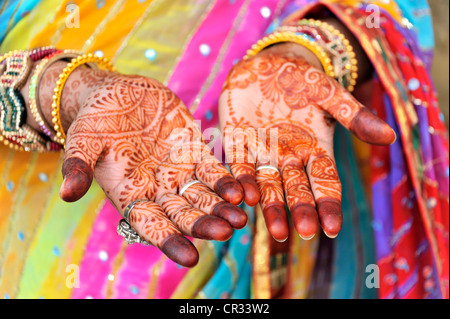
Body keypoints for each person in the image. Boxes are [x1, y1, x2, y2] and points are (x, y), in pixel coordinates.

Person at [0, 0, 447, 299]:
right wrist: (62, 91)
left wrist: (307, 53)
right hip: (29, 223)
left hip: (253, 199)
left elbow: (386, 11)